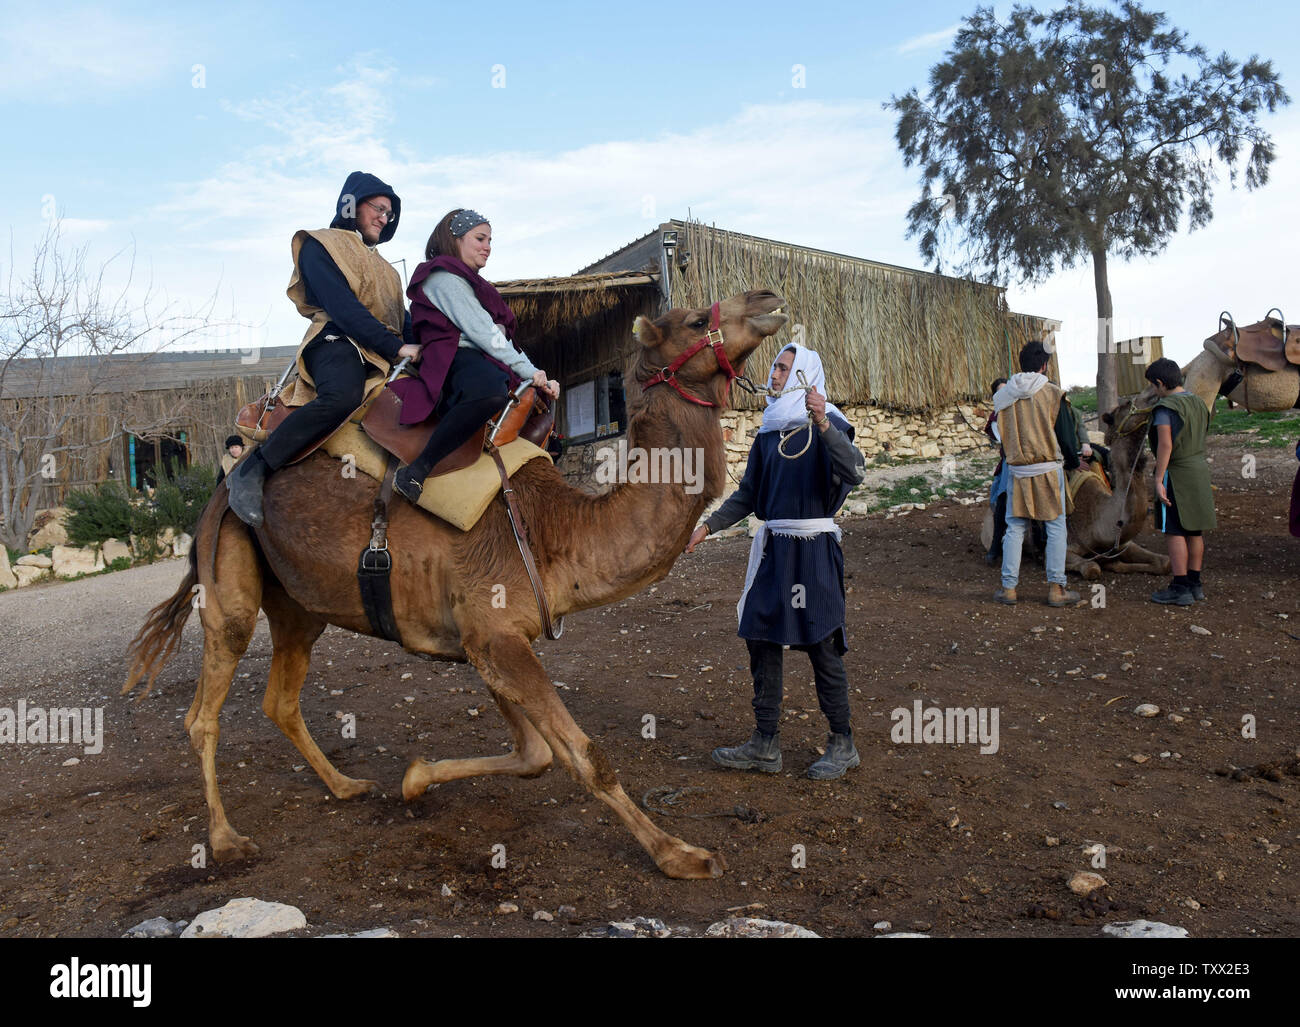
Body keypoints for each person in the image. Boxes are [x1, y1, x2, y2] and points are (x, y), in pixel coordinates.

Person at [684, 343, 866, 780]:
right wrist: (708, 527)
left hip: (814, 548)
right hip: (774, 549)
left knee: (821, 641)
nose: (775, 374)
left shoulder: (829, 423)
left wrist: (821, 421)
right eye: (774, 368)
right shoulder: (770, 430)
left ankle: (843, 742)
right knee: (761, 636)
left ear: (804, 372)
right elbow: (748, 494)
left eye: (784, 368)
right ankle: (765, 743)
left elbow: (855, 471)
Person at [226, 171, 419, 526]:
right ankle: (253, 469)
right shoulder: (320, 244)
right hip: (335, 340)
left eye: (389, 214)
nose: (384, 217)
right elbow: (344, 308)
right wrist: (397, 346)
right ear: (353, 205)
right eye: (378, 207)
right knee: (342, 395)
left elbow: (402, 319)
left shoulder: (388, 272)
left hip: (380, 354)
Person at [391, 209, 559, 502]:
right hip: (451, 358)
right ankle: (417, 469)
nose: (488, 247)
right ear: (454, 239)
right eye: (480, 238)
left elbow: (499, 337)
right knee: (489, 390)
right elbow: (484, 332)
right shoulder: (443, 277)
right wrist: (529, 371)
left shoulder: (471, 283)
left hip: (480, 356)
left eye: (490, 240)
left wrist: (534, 374)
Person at [993, 341, 1083, 607]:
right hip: (1047, 470)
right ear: (1044, 365)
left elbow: (1001, 436)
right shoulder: (1053, 393)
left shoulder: (1003, 397)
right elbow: (1066, 437)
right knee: (1056, 527)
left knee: (1015, 528)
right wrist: (1073, 460)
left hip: (1017, 471)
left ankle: (1009, 588)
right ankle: (1057, 589)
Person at [1145, 358, 1215, 605]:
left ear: (1160, 383)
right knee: (1195, 530)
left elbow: (1166, 444)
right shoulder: (1199, 402)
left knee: (1174, 530)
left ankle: (1180, 587)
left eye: (1154, 387)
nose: (1154, 392)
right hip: (1198, 471)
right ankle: (1195, 585)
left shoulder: (1165, 408)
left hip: (1176, 472)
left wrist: (1158, 478)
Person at [984, 377, 1009, 566]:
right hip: (1014, 460)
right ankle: (996, 544)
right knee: (1002, 495)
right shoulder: (997, 417)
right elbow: (1004, 441)